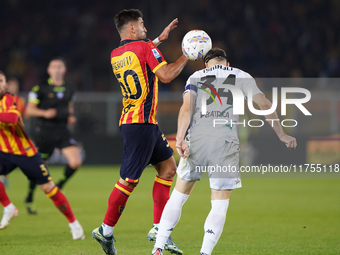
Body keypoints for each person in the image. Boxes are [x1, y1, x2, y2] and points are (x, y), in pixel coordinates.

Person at [151, 48, 297, 255]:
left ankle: (158, 247)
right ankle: (205, 253)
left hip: (197, 140)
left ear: (206, 64)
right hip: (225, 142)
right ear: (226, 64)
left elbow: (186, 108)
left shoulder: (196, 76)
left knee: (178, 195)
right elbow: (263, 104)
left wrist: (181, 138)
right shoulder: (241, 76)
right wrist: (282, 134)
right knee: (219, 202)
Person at [91, 9, 188, 255]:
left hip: (140, 122)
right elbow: (166, 76)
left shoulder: (116, 54)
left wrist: (157, 40)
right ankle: (105, 230)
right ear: (132, 28)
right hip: (141, 124)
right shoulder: (144, 47)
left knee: (168, 169)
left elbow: (138, 52)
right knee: (128, 180)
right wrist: (186, 55)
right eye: (142, 23)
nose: (145, 27)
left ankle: (159, 229)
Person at [0, 70, 84, 239]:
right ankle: (9, 207)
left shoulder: (10, 99)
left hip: (26, 153)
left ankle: (74, 224)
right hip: (4, 152)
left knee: (49, 189)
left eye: (1, 80)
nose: (0, 84)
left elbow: (13, 118)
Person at [24, 58, 82, 214]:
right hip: (44, 132)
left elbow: (69, 106)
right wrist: (44, 113)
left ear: (64, 70)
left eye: (60, 66)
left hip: (62, 130)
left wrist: (70, 116)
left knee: (75, 162)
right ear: (49, 70)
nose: (57, 69)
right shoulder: (40, 88)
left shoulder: (69, 87)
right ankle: (29, 196)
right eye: (54, 66)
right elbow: (29, 110)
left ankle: (59, 186)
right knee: (39, 168)